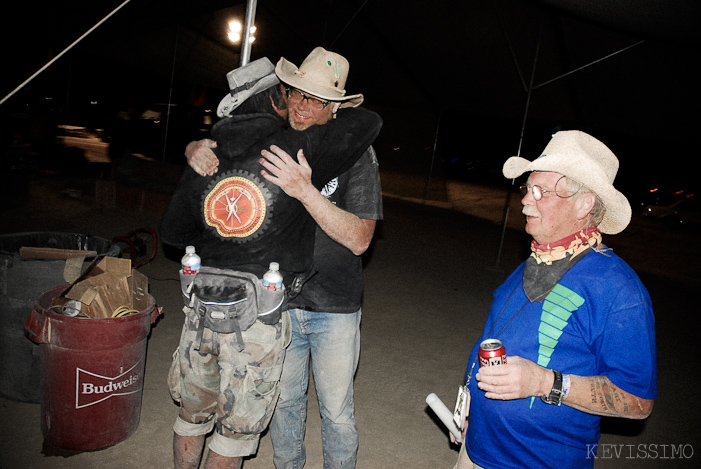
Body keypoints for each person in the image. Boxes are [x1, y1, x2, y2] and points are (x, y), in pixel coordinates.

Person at [161, 53, 381, 469]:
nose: (303, 105)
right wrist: (196, 147)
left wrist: (305, 190)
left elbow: (360, 241)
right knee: (281, 407)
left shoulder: (357, 155)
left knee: (335, 413)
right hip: (275, 305)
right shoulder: (272, 143)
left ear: (336, 107)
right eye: (297, 94)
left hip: (333, 304)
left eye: (317, 100)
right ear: (283, 96)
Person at [453, 130, 657, 469]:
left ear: (584, 203)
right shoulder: (530, 265)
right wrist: (472, 412)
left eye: (541, 191)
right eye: (527, 188)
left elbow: (637, 401)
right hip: (476, 452)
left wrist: (544, 382)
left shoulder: (619, 291)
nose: (525, 200)